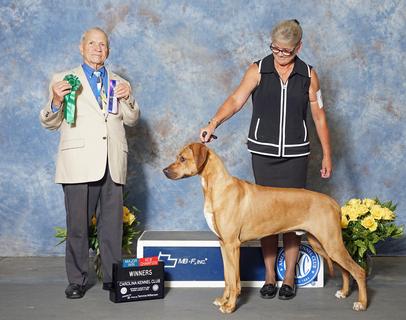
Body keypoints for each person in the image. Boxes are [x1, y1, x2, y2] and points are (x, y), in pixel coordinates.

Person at [200, 19, 332, 300]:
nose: (280, 55)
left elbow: (319, 116)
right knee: (266, 219)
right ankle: (270, 275)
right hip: (264, 155)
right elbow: (236, 100)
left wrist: (328, 155)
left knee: (294, 219)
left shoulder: (309, 74)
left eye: (287, 51)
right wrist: (213, 123)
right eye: (276, 49)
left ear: (299, 47)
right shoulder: (258, 69)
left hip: (296, 155)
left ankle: (289, 276)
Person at [40, 27, 140, 299]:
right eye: (93, 43)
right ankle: (77, 279)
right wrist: (56, 100)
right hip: (78, 162)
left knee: (112, 226)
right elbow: (49, 122)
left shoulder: (119, 81)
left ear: (108, 50)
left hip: (112, 161)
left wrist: (128, 97)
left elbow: (131, 119)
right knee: (77, 226)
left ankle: (112, 277)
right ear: (81, 48)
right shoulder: (63, 79)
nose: (98, 48)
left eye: (103, 44)